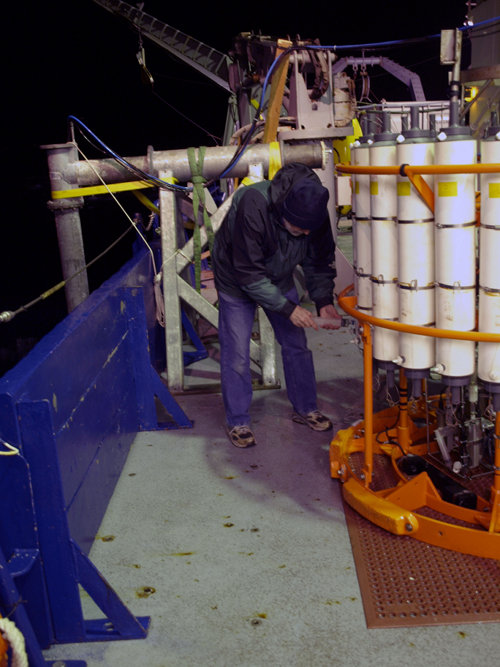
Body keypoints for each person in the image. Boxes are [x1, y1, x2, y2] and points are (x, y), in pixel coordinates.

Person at [212, 162, 343, 448]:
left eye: (310, 230)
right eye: (299, 228)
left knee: (296, 344)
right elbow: (248, 273)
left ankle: (306, 407)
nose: (305, 234)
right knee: (237, 353)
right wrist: (288, 309)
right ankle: (238, 421)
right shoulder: (253, 204)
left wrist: (323, 302)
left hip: (278, 275)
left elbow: (319, 262)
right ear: (283, 212)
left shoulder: (314, 215)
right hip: (237, 280)